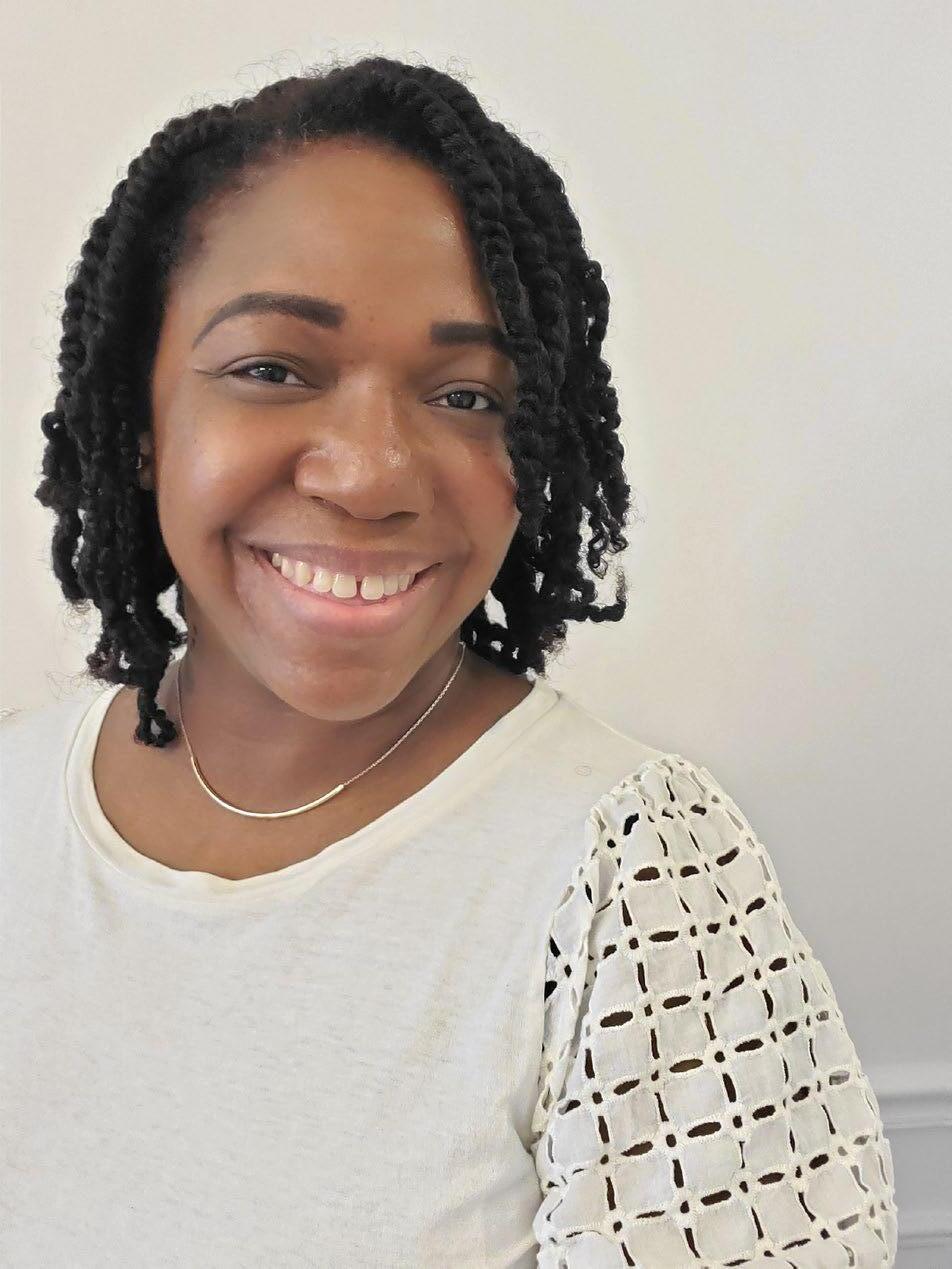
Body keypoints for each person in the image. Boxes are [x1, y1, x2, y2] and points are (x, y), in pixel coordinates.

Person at [0, 56, 897, 1267]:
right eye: (271, 369)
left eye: (469, 395)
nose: (370, 473)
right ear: (141, 416)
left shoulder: (632, 876)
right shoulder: (14, 803)